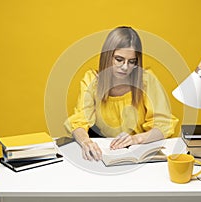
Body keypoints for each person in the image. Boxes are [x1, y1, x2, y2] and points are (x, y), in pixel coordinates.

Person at [64, 26, 178, 161]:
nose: (125, 67)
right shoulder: (91, 81)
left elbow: (163, 125)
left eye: (131, 62)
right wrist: (85, 142)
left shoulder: (147, 81)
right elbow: (79, 122)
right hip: (105, 153)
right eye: (119, 59)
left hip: (139, 151)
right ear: (108, 57)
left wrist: (135, 139)